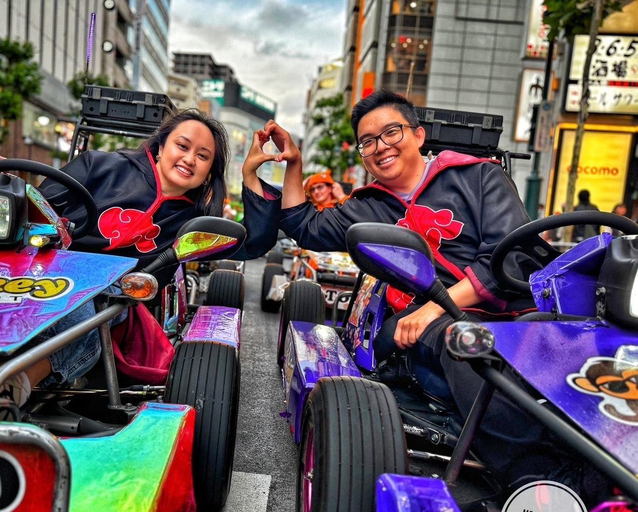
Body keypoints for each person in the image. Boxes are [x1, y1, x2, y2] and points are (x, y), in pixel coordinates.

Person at [244, 90, 586, 496]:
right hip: (418, 331)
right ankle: (540, 480)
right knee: (464, 341)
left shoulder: (479, 176)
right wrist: (293, 163)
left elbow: (508, 256)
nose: (381, 147)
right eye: (368, 141)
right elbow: (305, 226)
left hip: (506, 311)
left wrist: (438, 308)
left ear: (419, 135)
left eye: (392, 132)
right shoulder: (366, 205)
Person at [0, 109, 278, 415]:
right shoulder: (102, 165)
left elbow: (256, 241)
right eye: (183, 146)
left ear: (209, 172)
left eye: (203, 156)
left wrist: (251, 171)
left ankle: (8, 390)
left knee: (87, 307)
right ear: (161, 145)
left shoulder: (193, 219)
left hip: (113, 298)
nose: (189, 158)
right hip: (42, 269)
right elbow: (38, 207)